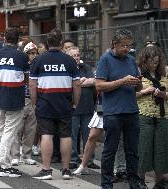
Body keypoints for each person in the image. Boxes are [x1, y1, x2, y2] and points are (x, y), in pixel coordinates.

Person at [95, 29, 146, 189]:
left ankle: (134, 182)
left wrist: (137, 82)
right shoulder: (105, 59)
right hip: (113, 112)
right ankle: (106, 184)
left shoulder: (131, 60)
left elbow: (138, 89)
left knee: (133, 151)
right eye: (123, 45)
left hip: (131, 111)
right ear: (114, 44)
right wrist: (121, 81)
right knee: (110, 150)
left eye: (129, 46)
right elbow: (99, 85)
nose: (127, 49)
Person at [30, 28, 81, 180]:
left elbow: (32, 85)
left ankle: (46, 169)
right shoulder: (70, 61)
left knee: (47, 135)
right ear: (60, 42)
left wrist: (34, 103)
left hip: (44, 103)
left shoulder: (38, 60)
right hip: (64, 103)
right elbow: (77, 85)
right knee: (66, 135)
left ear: (47, 42)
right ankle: (66, 170)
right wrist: (75, 103)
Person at [0, 28, 29, 177]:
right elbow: (26, 78)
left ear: (4, 38)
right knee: (9, 132)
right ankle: (4, 166)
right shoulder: (21, 56)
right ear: (17, 39)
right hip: (14, 98)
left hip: (0, 95)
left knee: (1, 130)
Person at [136, 42, 168, 188]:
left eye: (156, 62)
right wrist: (145, 91)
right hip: (144, 115)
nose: (153, 65)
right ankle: (140, 179)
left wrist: (164, 94)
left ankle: (160, 180)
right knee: (144, 147)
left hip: (163, 116)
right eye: (150, 62)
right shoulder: (138, 74)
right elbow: (130, 95)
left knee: (161, 149)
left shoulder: (165, 73)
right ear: (144, 60)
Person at [66, 46, 100, 170]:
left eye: (78, 55)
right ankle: (73, 160)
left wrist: (78, 83)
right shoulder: (66, 68)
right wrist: (82, 81)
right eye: (73, 55)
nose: (76, 57)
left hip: (88, 107)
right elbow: (68, 84)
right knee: (73, 136)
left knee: (89, 136)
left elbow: (94, 81)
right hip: (73, 107)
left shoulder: (85, 67)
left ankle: (89, 160)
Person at [11, 42, 38, 166]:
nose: (33, 56)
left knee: (31, 129)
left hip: (33, 99)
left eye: (35, 53)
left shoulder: (38, 65)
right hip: (21, 98)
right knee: (18, 128)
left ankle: (26, 155)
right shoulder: (21, 64)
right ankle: (15, 155)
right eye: (31, 53)